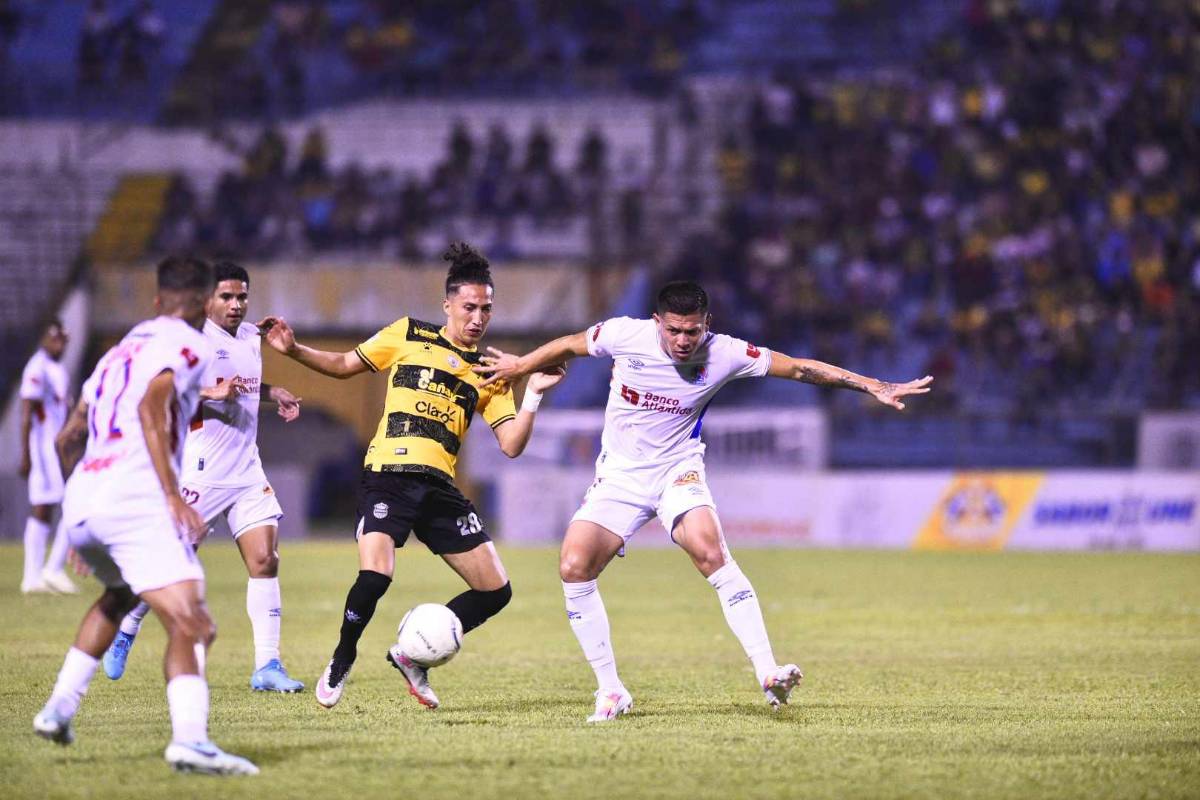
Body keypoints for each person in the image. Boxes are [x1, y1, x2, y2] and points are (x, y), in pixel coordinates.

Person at [474, 280, 933, 722]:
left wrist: (871, 383)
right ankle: (611, 689)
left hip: (678, 471)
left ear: (706, 323)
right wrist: (519, 368)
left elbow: (797, 367)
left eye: (692, 331)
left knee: (709, 550)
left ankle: (768, 671)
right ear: (657, 322)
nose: (681, 340)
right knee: (574, 566)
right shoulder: (624, 334)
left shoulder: (727, 352)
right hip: (619, 477)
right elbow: (571, 343)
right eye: (672, 330)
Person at [257, 243, 563, 710]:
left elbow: (512, 444)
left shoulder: (490, 372)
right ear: (447, 305)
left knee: (495, 590)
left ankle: (410, 657)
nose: (478, 318)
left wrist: (534, 393)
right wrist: (293, 349)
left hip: (440, 487)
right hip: (389, 475)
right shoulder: (408, 333)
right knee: (376, 574)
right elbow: (342, 366)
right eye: (469, 307)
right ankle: (342, 658)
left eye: (486, 309)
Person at [32, 256, 258, 776]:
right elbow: (152, 409)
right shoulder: (189, 345)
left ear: (156, 300)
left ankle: (58, 710)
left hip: (89, 496)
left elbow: (71, 434)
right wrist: (172, 497)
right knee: (193, 621)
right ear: (203, 304)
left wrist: (83, 518)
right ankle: (191, 742)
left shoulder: (120, 350)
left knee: (118, 595)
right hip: (137, 498)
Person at [102, 261, 305, 693]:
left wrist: (274, 393)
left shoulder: (252, 335)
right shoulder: (192, 342)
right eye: (226, 297)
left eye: (242, 297)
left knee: (266, 561)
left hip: (247, 470)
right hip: (201, 472)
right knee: (168, 566)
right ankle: (129, 623)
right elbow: (158, 392)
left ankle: (267, 666)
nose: (236, 305)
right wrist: (209, 392)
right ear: (207, 299)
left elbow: (243, 386)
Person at [18, 319, 78, 594]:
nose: (60, 344)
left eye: (63, 339)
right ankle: (48, 570)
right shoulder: (37, 366)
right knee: (66, 504)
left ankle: (36, 576)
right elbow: (27, 411)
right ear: (44, 338)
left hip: (55, 448)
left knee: (49, 508)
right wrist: (26, 454)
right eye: (55, 338)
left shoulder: (57, 369)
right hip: (43, 448)